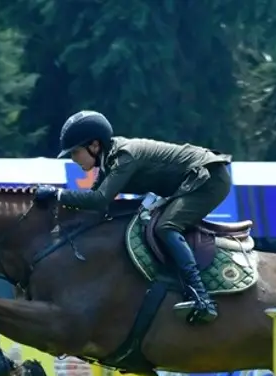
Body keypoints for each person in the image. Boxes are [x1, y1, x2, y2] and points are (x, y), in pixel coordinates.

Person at [33, 110, 232, 325]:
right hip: (194, 180)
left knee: (166, 227)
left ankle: (201, 298)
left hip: (208, 179)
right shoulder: (109, 162)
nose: (73, 159)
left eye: (75, 152)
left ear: (94, 145)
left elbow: (99, 199)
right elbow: (94, 208)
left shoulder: (124, 157)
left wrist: (57, 194)